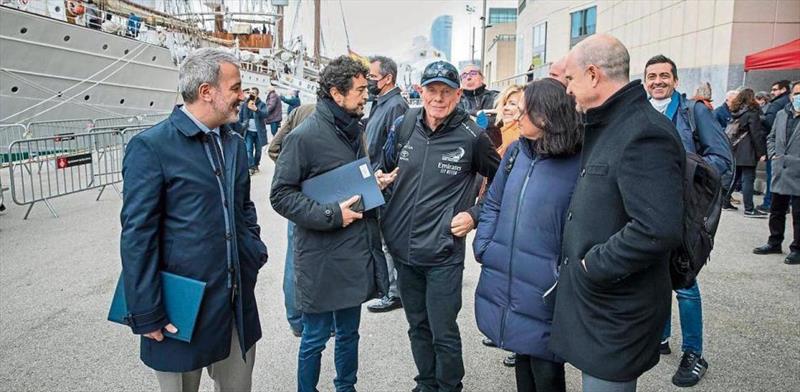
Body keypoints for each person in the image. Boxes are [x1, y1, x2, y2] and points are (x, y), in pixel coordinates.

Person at [120, 48, 268, 392]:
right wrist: (145, 311)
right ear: (207, 92)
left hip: (234, 300)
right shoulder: (151, 147)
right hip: (178, 308)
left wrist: (253, 250)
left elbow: (243, 206)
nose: (242, 96)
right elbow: (137, 235)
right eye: (235, 88)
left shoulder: (233, 143)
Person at [549, 34, 685, 392]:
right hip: (601, 303)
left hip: (617, 309)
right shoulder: (610, 124)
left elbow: (657, 228)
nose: (567, 91)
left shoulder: (643, 132)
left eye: (571, 80)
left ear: (593, 75)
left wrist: (593, 265)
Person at [270, 56, 392, 392]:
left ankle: (346, 387)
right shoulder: (304, 136)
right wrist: (332, 215)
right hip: (322, 256)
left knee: (350, 332)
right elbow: (280, 195)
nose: (365, 96)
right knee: (315, 337)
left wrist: (373, 183)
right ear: (336, 93)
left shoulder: (354, 128)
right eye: (359, 91)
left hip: (353, 251)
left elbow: (349, 179)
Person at [380, 60, 500, 392]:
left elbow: (505, 184)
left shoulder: (473, 137)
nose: (438, 98)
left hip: (442, 253)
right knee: (417, 326)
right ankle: (426, 384)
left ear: (458, 94)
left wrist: (475, 214)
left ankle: (449, 387)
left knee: (443, 331)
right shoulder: (404, 124)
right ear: (421, 91)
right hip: (402, 250)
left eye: (446, 91)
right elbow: (385, 167)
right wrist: (380, 180)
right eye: (431, 90)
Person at [474, 78, 582, 392]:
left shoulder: (578, 160)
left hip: (546, 284)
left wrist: (561, 270)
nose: (516, 117)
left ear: (547, 116)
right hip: (510, 272)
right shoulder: (515, 153)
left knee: (546, 367)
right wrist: (485, 245)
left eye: (524, 111)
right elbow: (493, 201)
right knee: (522, 355)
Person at [643, 54, 733, 388]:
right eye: (652, 76)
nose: (658, 81)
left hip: (683, 212)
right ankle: (661, 337)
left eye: (664, 75)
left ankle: (694, 352)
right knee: (655, 274)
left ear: (675, 81)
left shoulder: (694, 112)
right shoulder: (640, 111)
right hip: (647, 211)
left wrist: (686, 177)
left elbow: (721, 159)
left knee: (684, 280)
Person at [476, 84, 523, 367]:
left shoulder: (522, 137)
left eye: (516, 104)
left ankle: (517, 340)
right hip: (496, 204)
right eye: (506, 102)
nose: (509, 108)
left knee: (514, 278)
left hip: (512, 208)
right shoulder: (498, 133)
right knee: (498, 276)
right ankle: (501, 329)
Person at [364, 55, 410, 313]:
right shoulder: (380, 103)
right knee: (381, 239)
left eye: (372, 76)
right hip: (374, 179)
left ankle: (395, 293)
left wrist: (383, 177)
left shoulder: (395, 106)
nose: (369, 81)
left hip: (385, 183)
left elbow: (395, 149)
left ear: (387, 78)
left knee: (388, 240)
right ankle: (389, 287)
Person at [267, 103, 316, 337]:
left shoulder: (300, 111)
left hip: (298, 197)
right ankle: (325, 320)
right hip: (326, 200)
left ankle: (296, 319)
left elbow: (274, 147)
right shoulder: (343, 115)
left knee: (294, 259)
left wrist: (294, 174)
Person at [753, 80, 800, 265]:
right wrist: (773, 154)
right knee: (776, 209)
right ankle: (774, 241)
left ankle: (797, 248)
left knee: (798, 213)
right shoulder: (782, 114)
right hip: (780, 168)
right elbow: (771, 136)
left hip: (797, 170)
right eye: (796, 94)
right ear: (790, 95)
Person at [724, 89, 767, 216]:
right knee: (748, 179)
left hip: (735, 149)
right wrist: (761, 152)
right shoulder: (752, 113)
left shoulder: (735, 112)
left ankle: (725, 201)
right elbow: (756, 134)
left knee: (735, 177)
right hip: (747, 151)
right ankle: (749, 208)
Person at [758, 80, 791, 212]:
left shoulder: (777, 104)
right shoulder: (785, 105)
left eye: (775, 89)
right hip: (785, 149)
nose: (772, 92)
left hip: (778, 148)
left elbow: (770, 126)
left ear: (783, 90)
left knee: (773, 176)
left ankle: (769, 203)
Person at [238, 87, 268, 174]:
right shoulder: (245, 104)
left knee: (258, 151)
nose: (251, 95)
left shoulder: (262, 104)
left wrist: (256, 110)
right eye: (250, 93)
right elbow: (241, 117)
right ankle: (251, 167)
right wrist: (240, 128)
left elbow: (265, 114)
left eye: (253, 93)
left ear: (257, 95)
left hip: (259, 132)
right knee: (248, 150)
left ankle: (256, 165)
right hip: (248, 131)